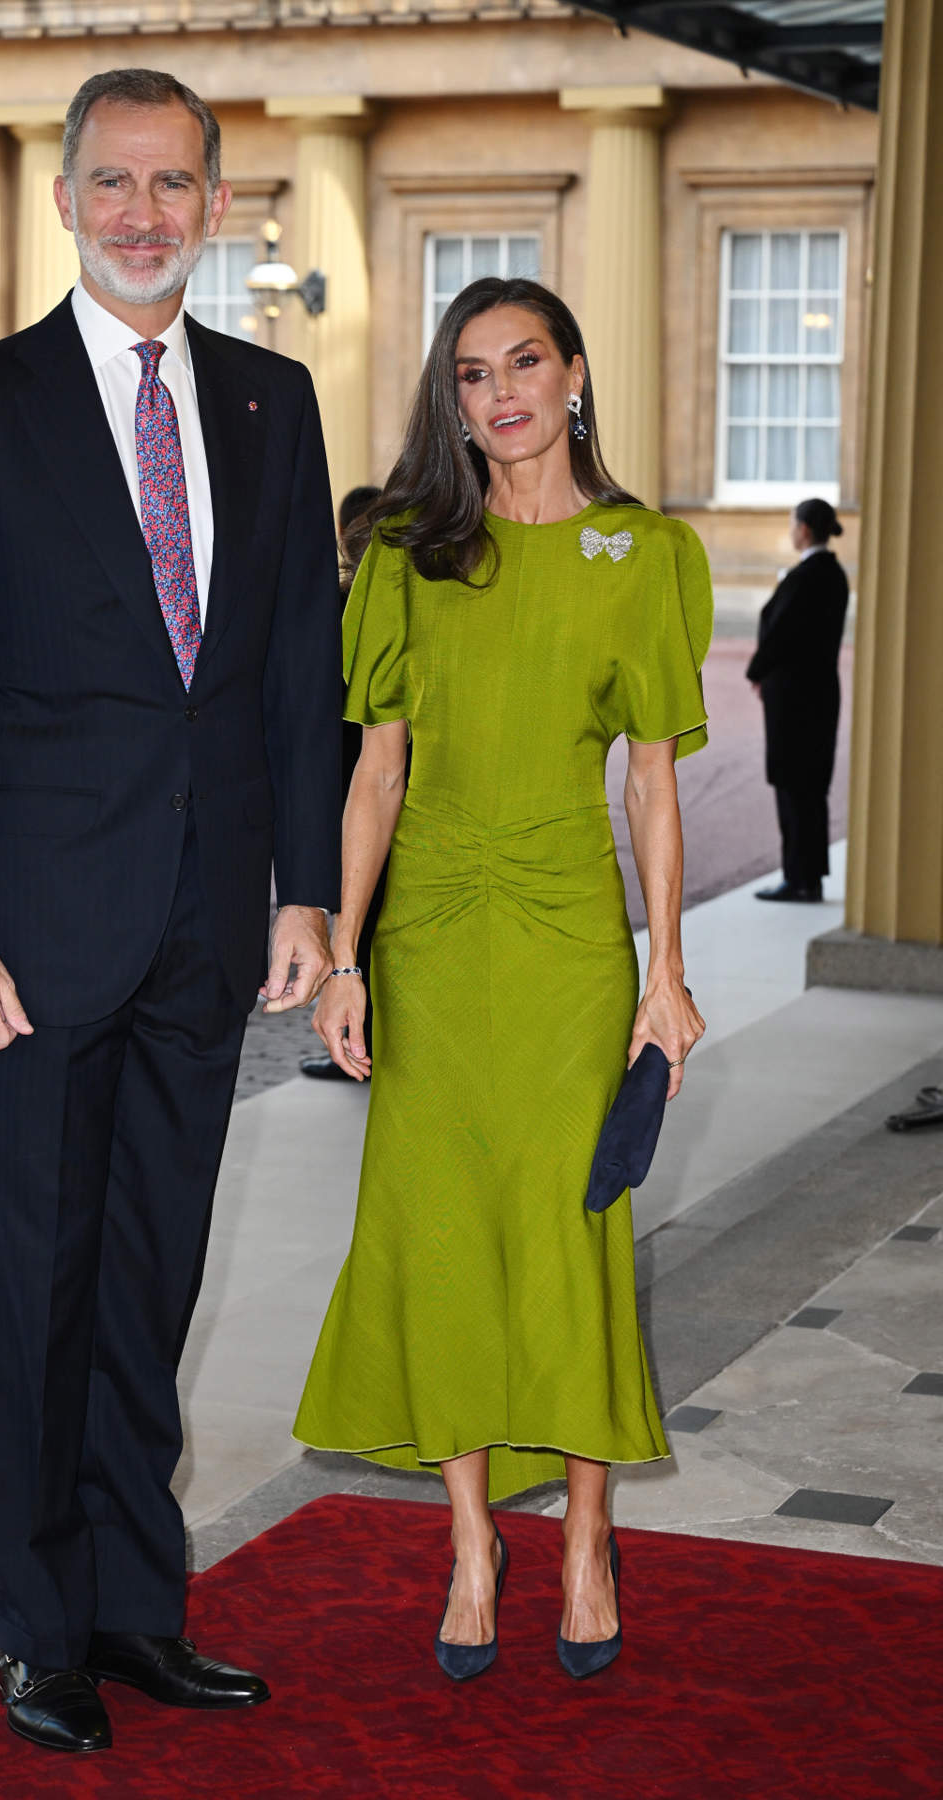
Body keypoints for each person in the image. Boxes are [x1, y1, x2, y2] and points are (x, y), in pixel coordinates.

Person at [0, 67, 340, 1755]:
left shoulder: (274, 408)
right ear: (68, 200)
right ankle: (39, 1628)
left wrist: (311, 896)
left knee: (151, 1286)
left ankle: (144, 1609)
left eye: (177, 184)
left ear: (218, 205)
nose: (146, 212)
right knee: (38, 1288)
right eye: (115, 183)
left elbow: (299, 678)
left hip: (209, 931)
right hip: (33, 939)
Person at [294, 277, 709, 1683]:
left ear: (575, 374)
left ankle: (588, 1532)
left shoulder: (641, 552)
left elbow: (653, 784)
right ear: (450, 401)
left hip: (567, 950)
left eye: (525, 362)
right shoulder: (411, 554)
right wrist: (345, 957)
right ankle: (473, 1543)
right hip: (434, 941)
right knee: (439, 1229)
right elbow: (375, 773)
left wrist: (669, 973)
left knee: (568, 1228)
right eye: (470, 375)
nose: (501, 393)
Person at [300, 483, 382, 1083]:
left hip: (353, 772)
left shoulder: (341, 600)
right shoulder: (355, 596)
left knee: (362, 907)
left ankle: (362, 1036)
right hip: (374, 772)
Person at [747, 497, 849, 903]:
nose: (791, 530)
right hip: (819, 692)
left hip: (795, 698)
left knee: (792, 783)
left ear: (804, 528)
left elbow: (780, 632)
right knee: (811, 786)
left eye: (793, 523)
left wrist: (757, 672)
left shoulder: (806, 576)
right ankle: (810, 875)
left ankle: (798, 877)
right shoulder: (834, 574)